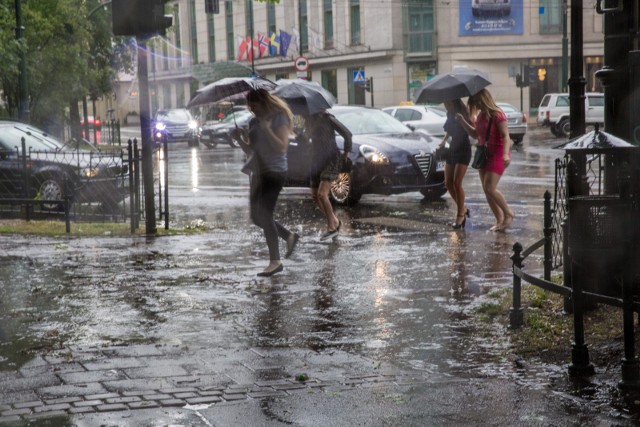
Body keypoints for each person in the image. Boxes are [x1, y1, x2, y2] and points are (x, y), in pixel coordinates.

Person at [232, 89, 299, 276]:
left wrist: (267, 129)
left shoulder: (278, 118)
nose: (251, 109)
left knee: (265, 213)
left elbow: (281, 147)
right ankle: (288, 236)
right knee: (256, 216)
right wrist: (239, 139)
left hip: (274, 171)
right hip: (258, 172)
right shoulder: (253, 122)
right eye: (249, 105)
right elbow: (250, 151)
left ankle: (275, 261)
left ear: (263, 102)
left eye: (254, 104)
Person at [455, 88, 515, 232]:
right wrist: (463, 121)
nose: (476, 107)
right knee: (486, 190)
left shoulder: (498, 115)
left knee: (490, 188)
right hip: (484, 155)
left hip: (498, 154)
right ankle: (499, 220)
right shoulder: (481, 116)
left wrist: (506, 154)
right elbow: (476, 134)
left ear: (482, 100)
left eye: (476, 103)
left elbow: (506, 136)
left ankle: (508, 214)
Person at [303, 111, 352, 240]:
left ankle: (332, 226)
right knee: (315, 196)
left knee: (322, 194)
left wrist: (346, 152)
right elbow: (305, 140)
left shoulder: (328, 118)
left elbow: (347, 134)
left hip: (331, 159)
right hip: (315, 160)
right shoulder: (308, 121)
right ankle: (335, 221)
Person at [439, 99, 472, 229]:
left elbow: (471, 131)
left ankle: (460, 215)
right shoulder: (449, 114)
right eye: (445, 103)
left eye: (448, 102)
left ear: (454, 102)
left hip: (463, 149)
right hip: (452, 148)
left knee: (457, 183)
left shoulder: (463, 114)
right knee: (448, 183)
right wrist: (443, 141)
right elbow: (449, 130)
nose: (446, 105)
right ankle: (463, 208)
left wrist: (462, 120)